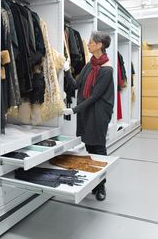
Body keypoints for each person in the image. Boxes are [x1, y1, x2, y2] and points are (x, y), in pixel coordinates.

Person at [63, 31, 114, 201]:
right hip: (87, 111)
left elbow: (95, 96)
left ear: (100, 45)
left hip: (98, 113)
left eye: (91, 42)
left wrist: (75, 110)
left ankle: (101, 186)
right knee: (89, 147)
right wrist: (66, 70)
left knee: (98, 147)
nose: (87, 44)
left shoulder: (107, 69)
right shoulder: (89, 64)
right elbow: (77, 85)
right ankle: (94, 181)